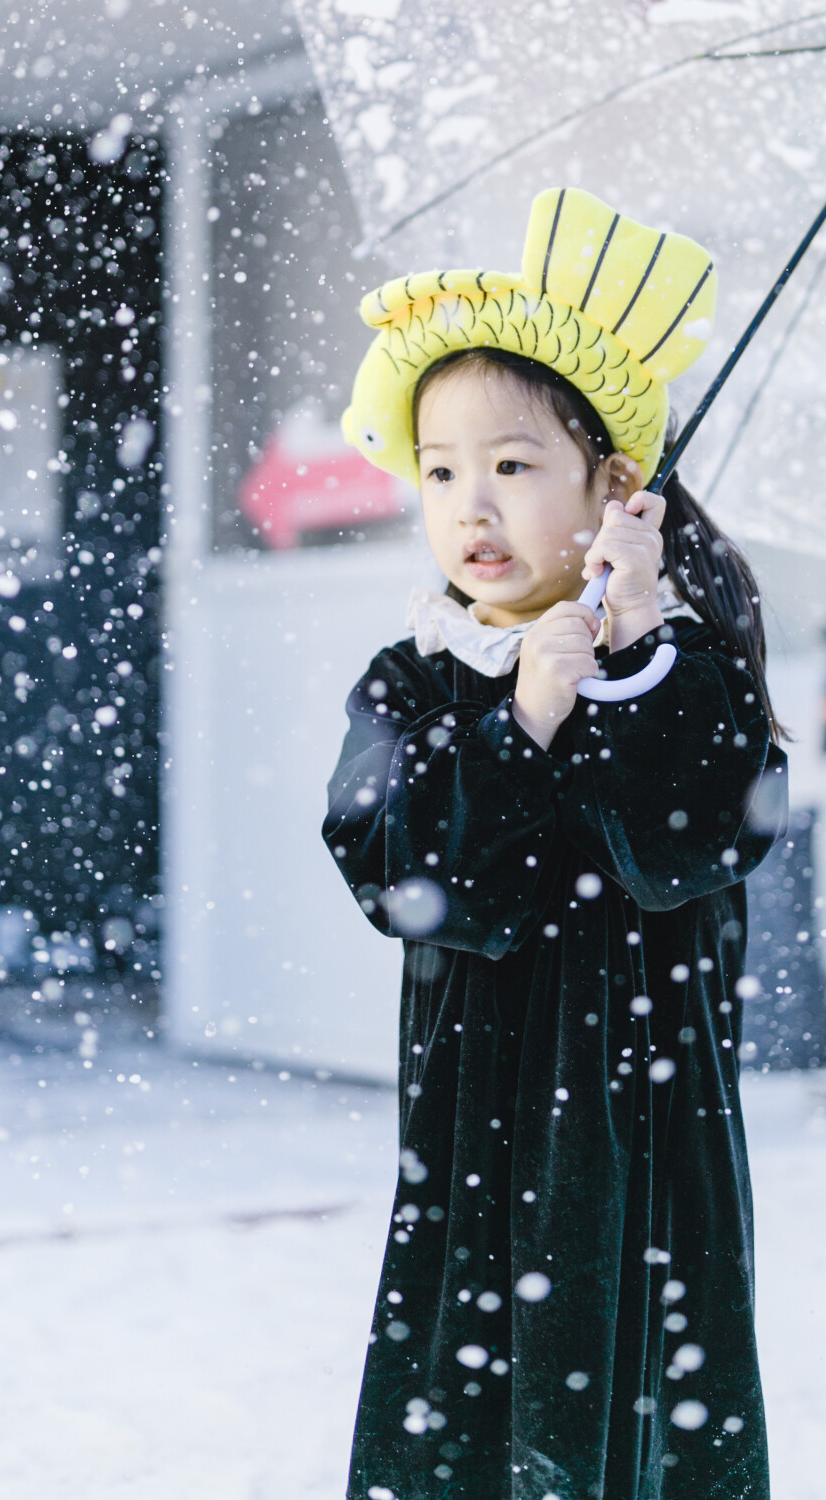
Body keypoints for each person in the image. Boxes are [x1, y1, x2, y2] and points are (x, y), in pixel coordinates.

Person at [322, 188, 788, 1500]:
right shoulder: (416, 679)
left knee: (643, 1405)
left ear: (614, 484)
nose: (473, 503)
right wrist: (519, 720)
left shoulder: (681, 669)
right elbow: (398, 868)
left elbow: (696, 843)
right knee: (467, 1404)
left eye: (514, 465)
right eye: (442, 470)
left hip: (644, 1132)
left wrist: (635, 654)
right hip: (478, 1124)